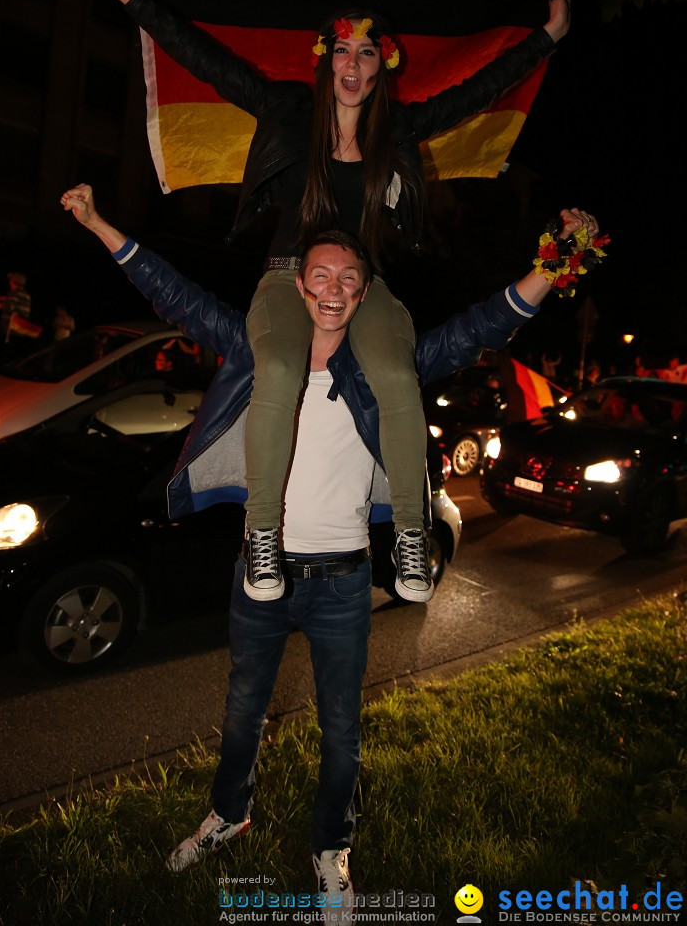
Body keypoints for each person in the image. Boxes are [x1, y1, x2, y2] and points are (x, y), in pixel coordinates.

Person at [61, 183, 600, 912]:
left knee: (341, 730)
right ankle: (229, 812)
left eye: (350, 278)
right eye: (321, 275)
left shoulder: (386, 369)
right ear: (297, 284)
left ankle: (331, 850)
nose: (334, 289)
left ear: (365, 293)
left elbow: (480, 327)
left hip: (345, 581)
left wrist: (555, 262)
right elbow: (173, 292)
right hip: (262, 571)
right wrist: (98, 221)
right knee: (243, 707)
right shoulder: (256, 353)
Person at [107, 0, 572, 606]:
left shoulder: (397, 130)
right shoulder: (287, 108)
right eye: (344, 52)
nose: (353, 65)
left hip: (365, 283)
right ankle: (262, 533)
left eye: (367, 54)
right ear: (327, 60)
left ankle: (411, 530)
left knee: (395, 372)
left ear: (384, 65)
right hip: (285, 278)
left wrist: (546, 37)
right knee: (277, 368)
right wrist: (137, 1)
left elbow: (475, 93)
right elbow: (211, 62)